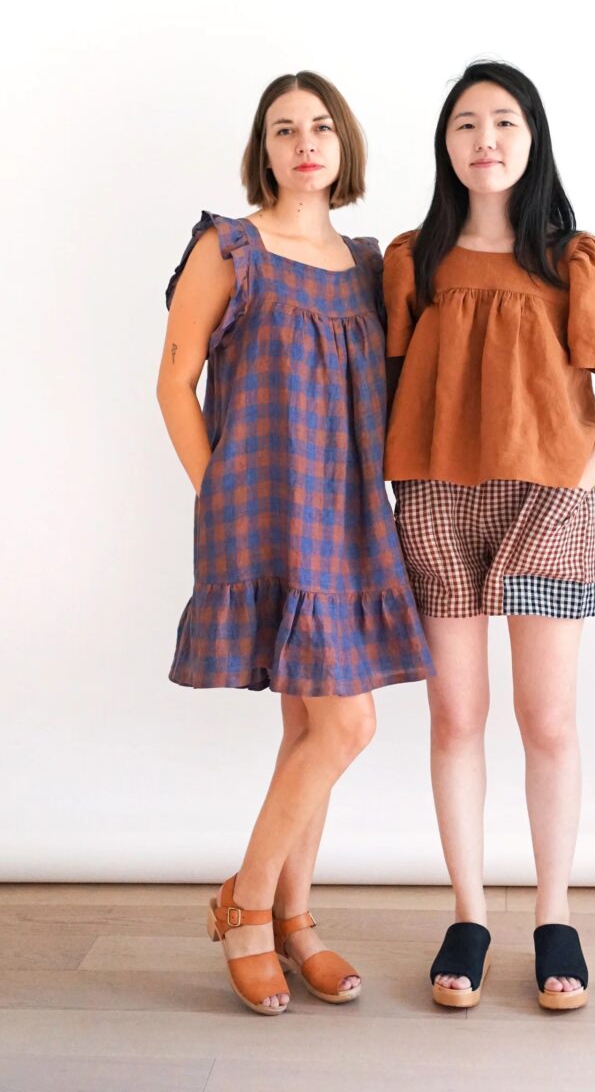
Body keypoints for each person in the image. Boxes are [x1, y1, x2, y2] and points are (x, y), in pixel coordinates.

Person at [156, 71, 433, 1015]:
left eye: (319, 126)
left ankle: (292, 919)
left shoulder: (367, 265)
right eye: (284, 129)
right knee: (346, 725)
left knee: (316, 728)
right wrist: (218, 493)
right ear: (263, 150)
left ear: (342, 143)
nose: (304, 142)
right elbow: (175, 383)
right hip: (264, 512)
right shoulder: (228, 248)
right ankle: (246, 908)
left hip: (348, 519)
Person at [383, 59, 595, 1011]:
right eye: (465, 123)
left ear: (532, 138)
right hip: (435, 502)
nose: (484, 139)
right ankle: (468, 916)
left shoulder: (576, 262)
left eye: (503, 121)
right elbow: (385, 391)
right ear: (445, 144)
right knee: (456, 718)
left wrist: (570, 488)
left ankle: (554, 916)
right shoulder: (413, 262)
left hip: (548, 507)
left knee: (549, 722)